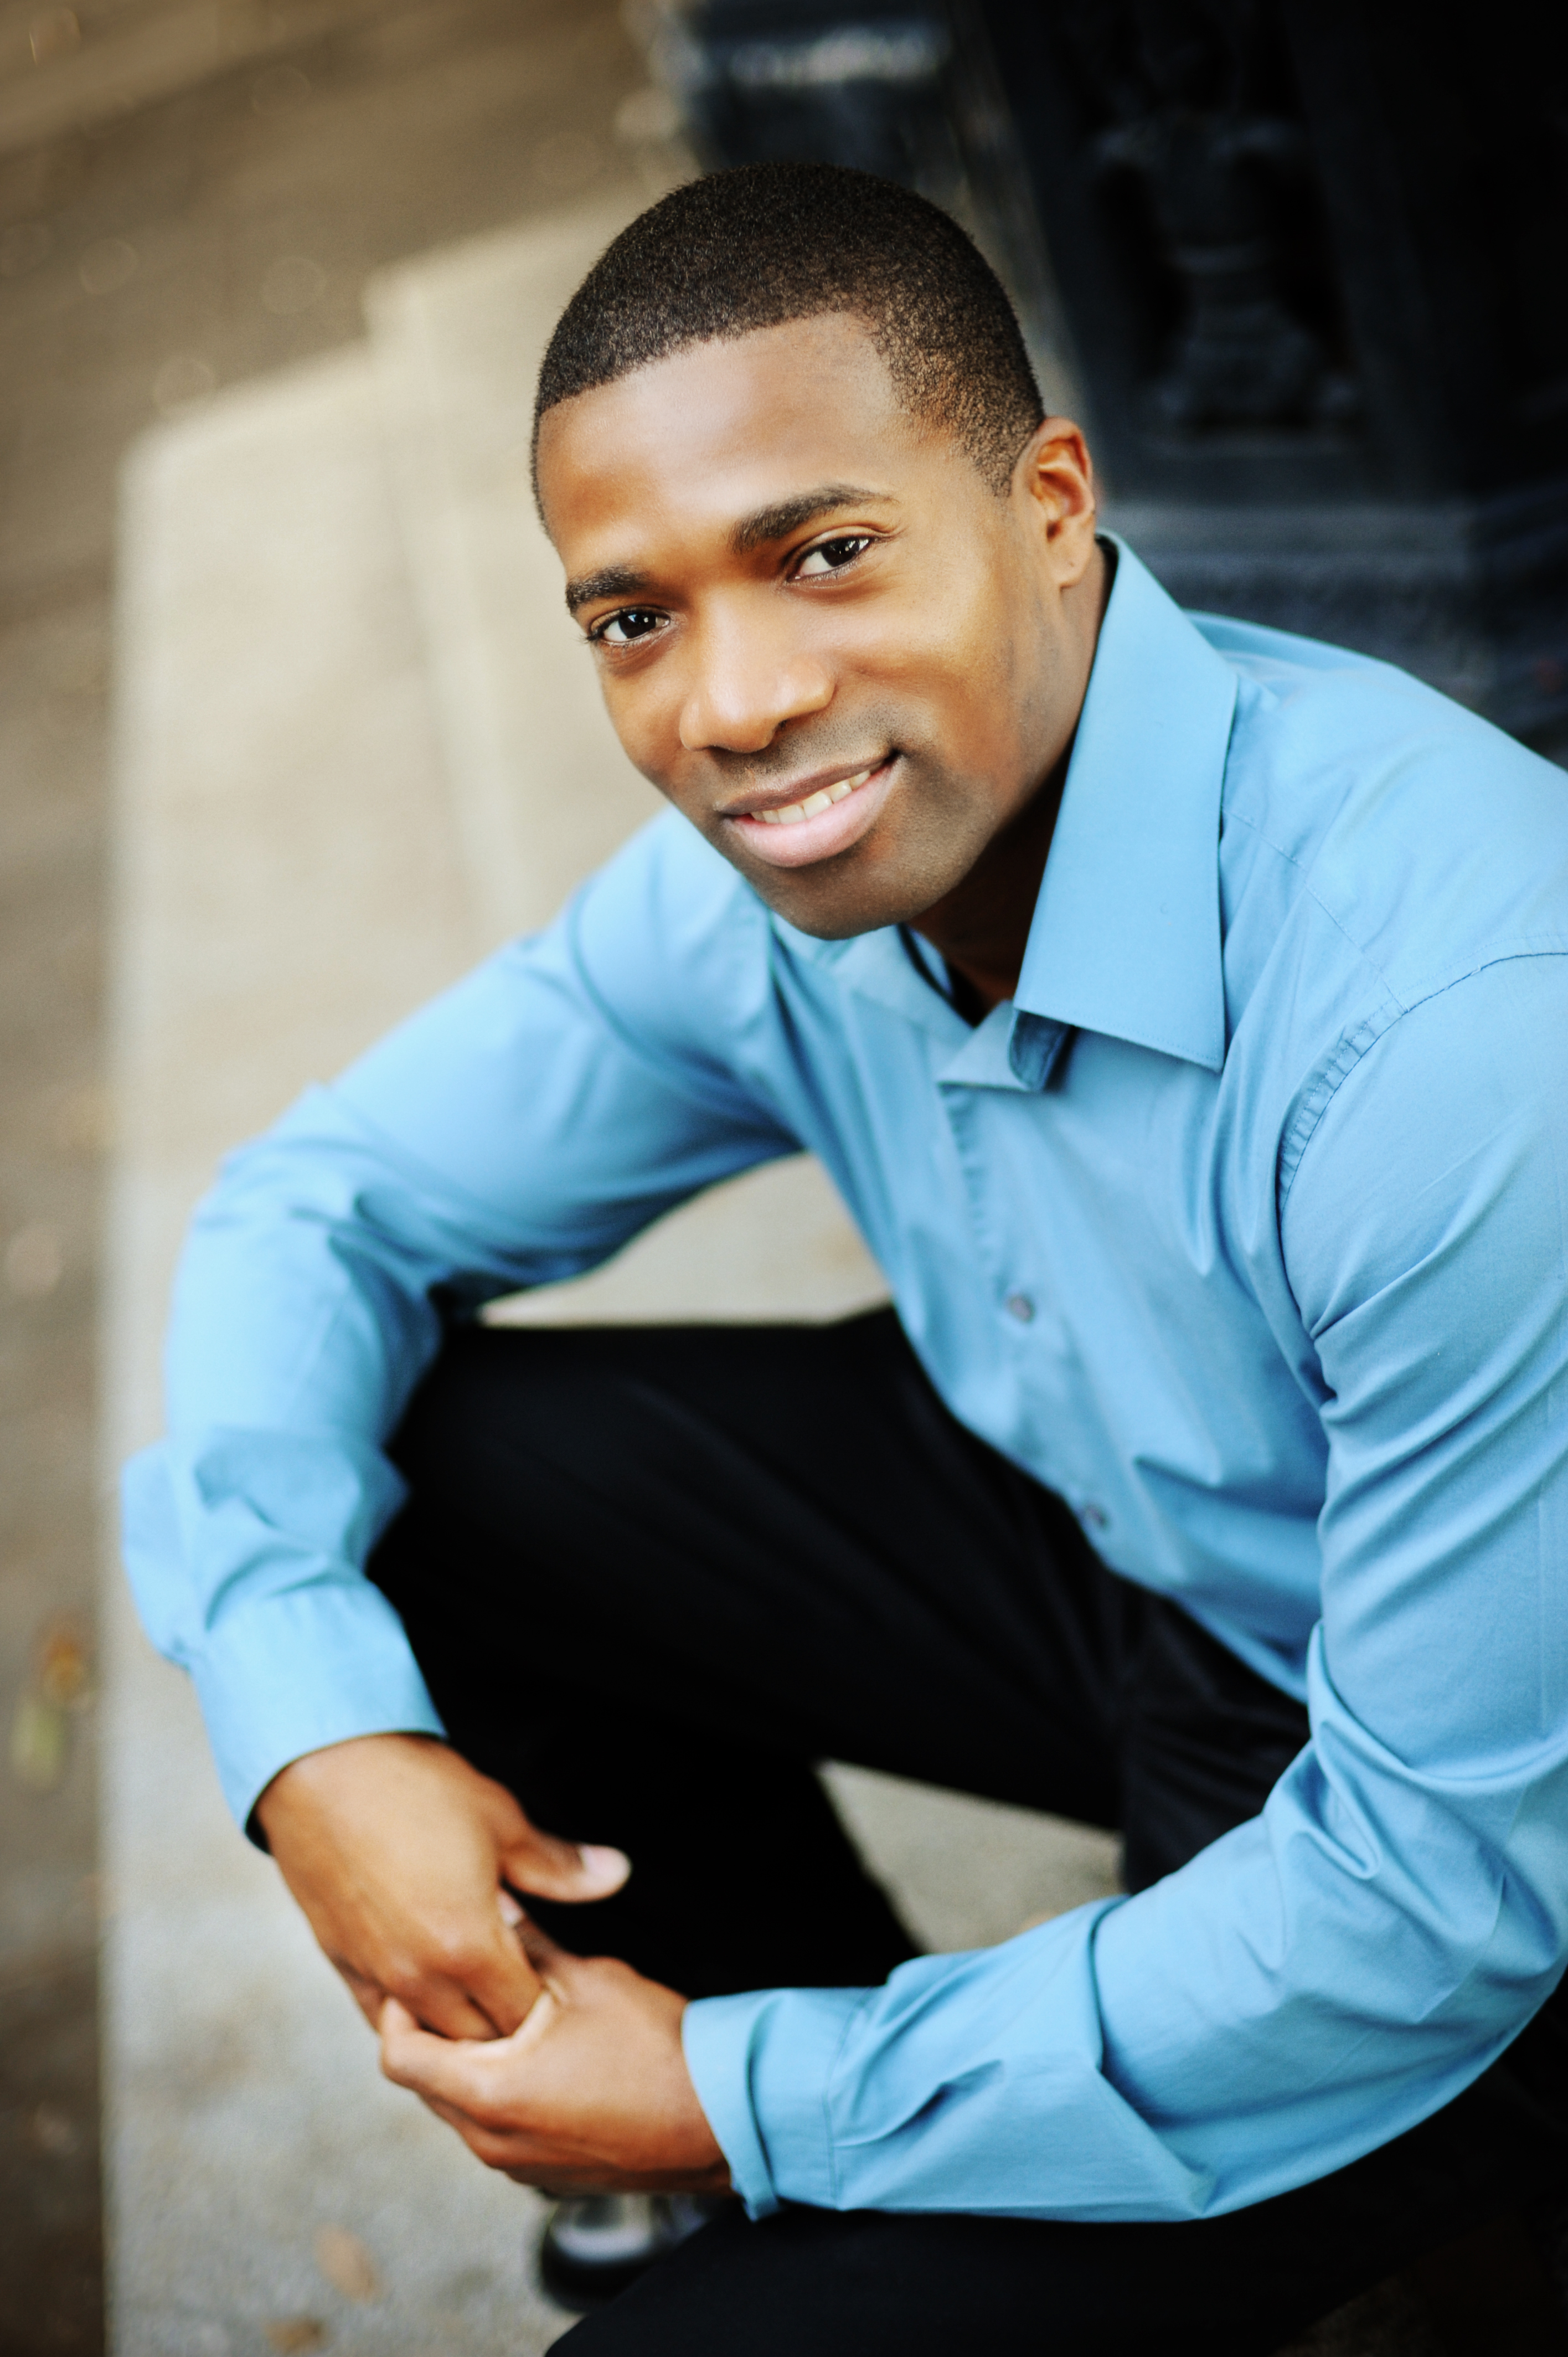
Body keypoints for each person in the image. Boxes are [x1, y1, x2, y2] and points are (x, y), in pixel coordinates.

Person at [123, 161, 1568, 2351]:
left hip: (1472, 1831)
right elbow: (315, 1207)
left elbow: (1430, 1904)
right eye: (637, 615)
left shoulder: (1457, 1032)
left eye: (821, 553)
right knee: (419, 1475)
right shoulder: (775, 885)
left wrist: (735, 2092)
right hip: (1142, 1550)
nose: (733, 699)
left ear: (1054, 504)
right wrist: (310, 1723)